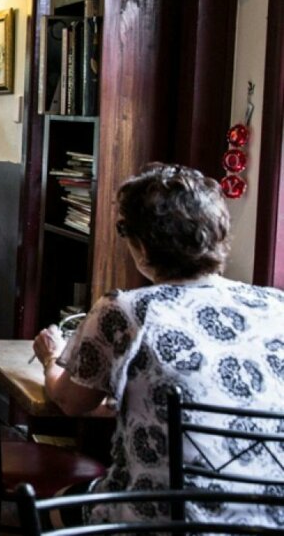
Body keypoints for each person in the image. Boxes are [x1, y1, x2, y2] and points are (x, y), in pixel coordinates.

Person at [33, 163, 284, 527]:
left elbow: (70, 401)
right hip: (271, 519)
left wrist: (50, 359)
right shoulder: (275, 306)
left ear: (139, 243)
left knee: (53, 507)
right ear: (217, 233)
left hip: (163, 517)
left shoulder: (125, 310)